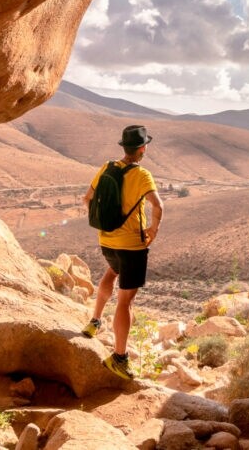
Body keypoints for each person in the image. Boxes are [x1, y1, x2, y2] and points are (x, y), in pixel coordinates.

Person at [82, 124, 163, 379]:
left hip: (107, 241)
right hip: (131, 246)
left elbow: (87, 198)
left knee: (111, 272)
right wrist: (153, 229)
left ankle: (94, 321)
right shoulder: (142, 175)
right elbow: (158, 206)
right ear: (142, 149)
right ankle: (119, 358)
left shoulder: (107, 167)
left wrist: (108, 221)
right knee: (126, 300)